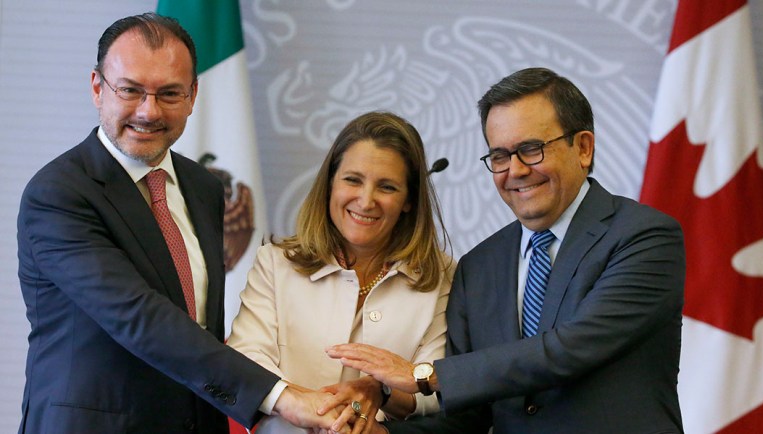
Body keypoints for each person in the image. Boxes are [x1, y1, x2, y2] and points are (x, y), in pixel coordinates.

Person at [16, 12, 348, 434]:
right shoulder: (59, 193)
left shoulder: (203, 186)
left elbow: (202, 325)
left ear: (193, 96)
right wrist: (280, 396)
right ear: (98, 88)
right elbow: (138, 316)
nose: (148, 111)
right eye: (130, 90)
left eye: (169, 93)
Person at [326, 67, 686, 434]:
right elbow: (468, 418)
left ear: (583, 148)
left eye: (531, 149)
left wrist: (425, 375)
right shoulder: (478, 266)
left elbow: (571, 348)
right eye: (499, 156)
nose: (515, 170)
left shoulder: (645, 237)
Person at [227, 111, 454, 434]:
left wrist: (383, 392)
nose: (366, 200)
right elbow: (245, 360)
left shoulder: (442, 276)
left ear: (409, 201)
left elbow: (438, 387)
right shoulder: (276, 263)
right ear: (330, 183)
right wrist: (313, 406)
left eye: (387, 187)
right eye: (353, 180)